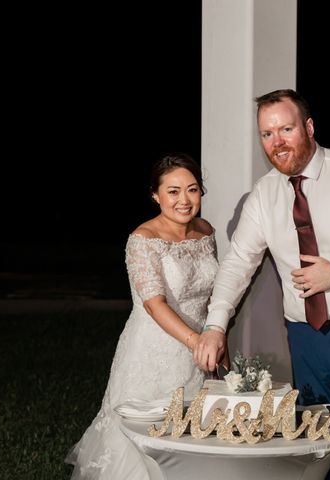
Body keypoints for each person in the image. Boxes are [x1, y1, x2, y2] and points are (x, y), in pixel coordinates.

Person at [194, 89, 330, 480]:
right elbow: (237, 263)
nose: (276, 142)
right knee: (325, 455)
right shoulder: (265, 194)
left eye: (286, 129)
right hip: (305, 341)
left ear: (309, 128)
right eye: (267, 134)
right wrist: (215, 325)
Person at [66, 153, 219, 480]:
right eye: (173, 191)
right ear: (156, 195)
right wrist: (198, 341)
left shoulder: (206, 232)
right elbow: (153, 304)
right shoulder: (142, 239)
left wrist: (217, 337)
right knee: (144, 448)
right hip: (153, 353)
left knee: (195, 441)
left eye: (192, 190)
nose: (184, 200)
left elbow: (209, 298)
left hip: (200, 355)